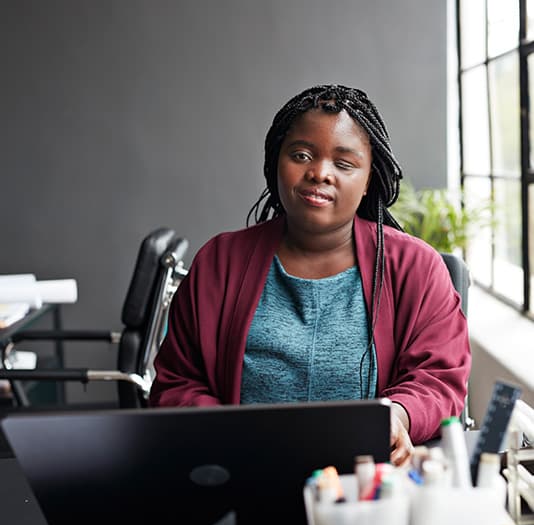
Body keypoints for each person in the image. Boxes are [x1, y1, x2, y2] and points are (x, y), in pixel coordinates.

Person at [149, 84, 471, 466]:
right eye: (301, 155)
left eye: (344, 163)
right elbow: (177, 382)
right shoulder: (219, 262)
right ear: (276, 161)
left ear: (368, 178)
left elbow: (438, 377)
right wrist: (226, 435)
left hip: (369, 485)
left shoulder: (416, 267)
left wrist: (400, 413)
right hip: (244, 473)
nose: (319, 173)